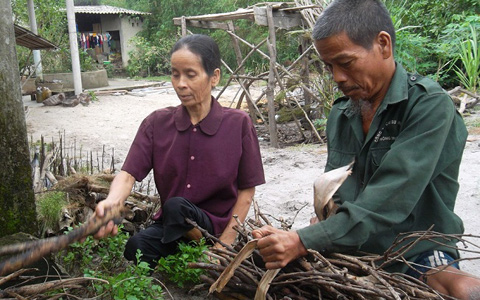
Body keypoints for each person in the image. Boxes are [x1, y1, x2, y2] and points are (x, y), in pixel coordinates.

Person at [252, 0, 480, 298]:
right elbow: (337, 187)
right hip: (351, 247)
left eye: (345, 63)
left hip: (413, 251)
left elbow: (388, 198)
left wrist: (305, 240)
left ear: (383, 45)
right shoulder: (342, 113)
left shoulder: (428, 106)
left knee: (460, 288)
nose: (337, 78)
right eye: (328, 66)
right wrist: (313, 228)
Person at [94, 34, 265, 268]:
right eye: (175, 74)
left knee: (176, 206)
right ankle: (187, 254)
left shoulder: (238, 124)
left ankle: (201, 248)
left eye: (190, 75)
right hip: (171, 225)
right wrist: (112, 202)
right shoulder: (156, 123)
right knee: (135, 247)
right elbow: (128, 174)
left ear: (214, 76)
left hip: (214, 227)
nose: (180, 83)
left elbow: (247, 191)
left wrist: (223, 247)